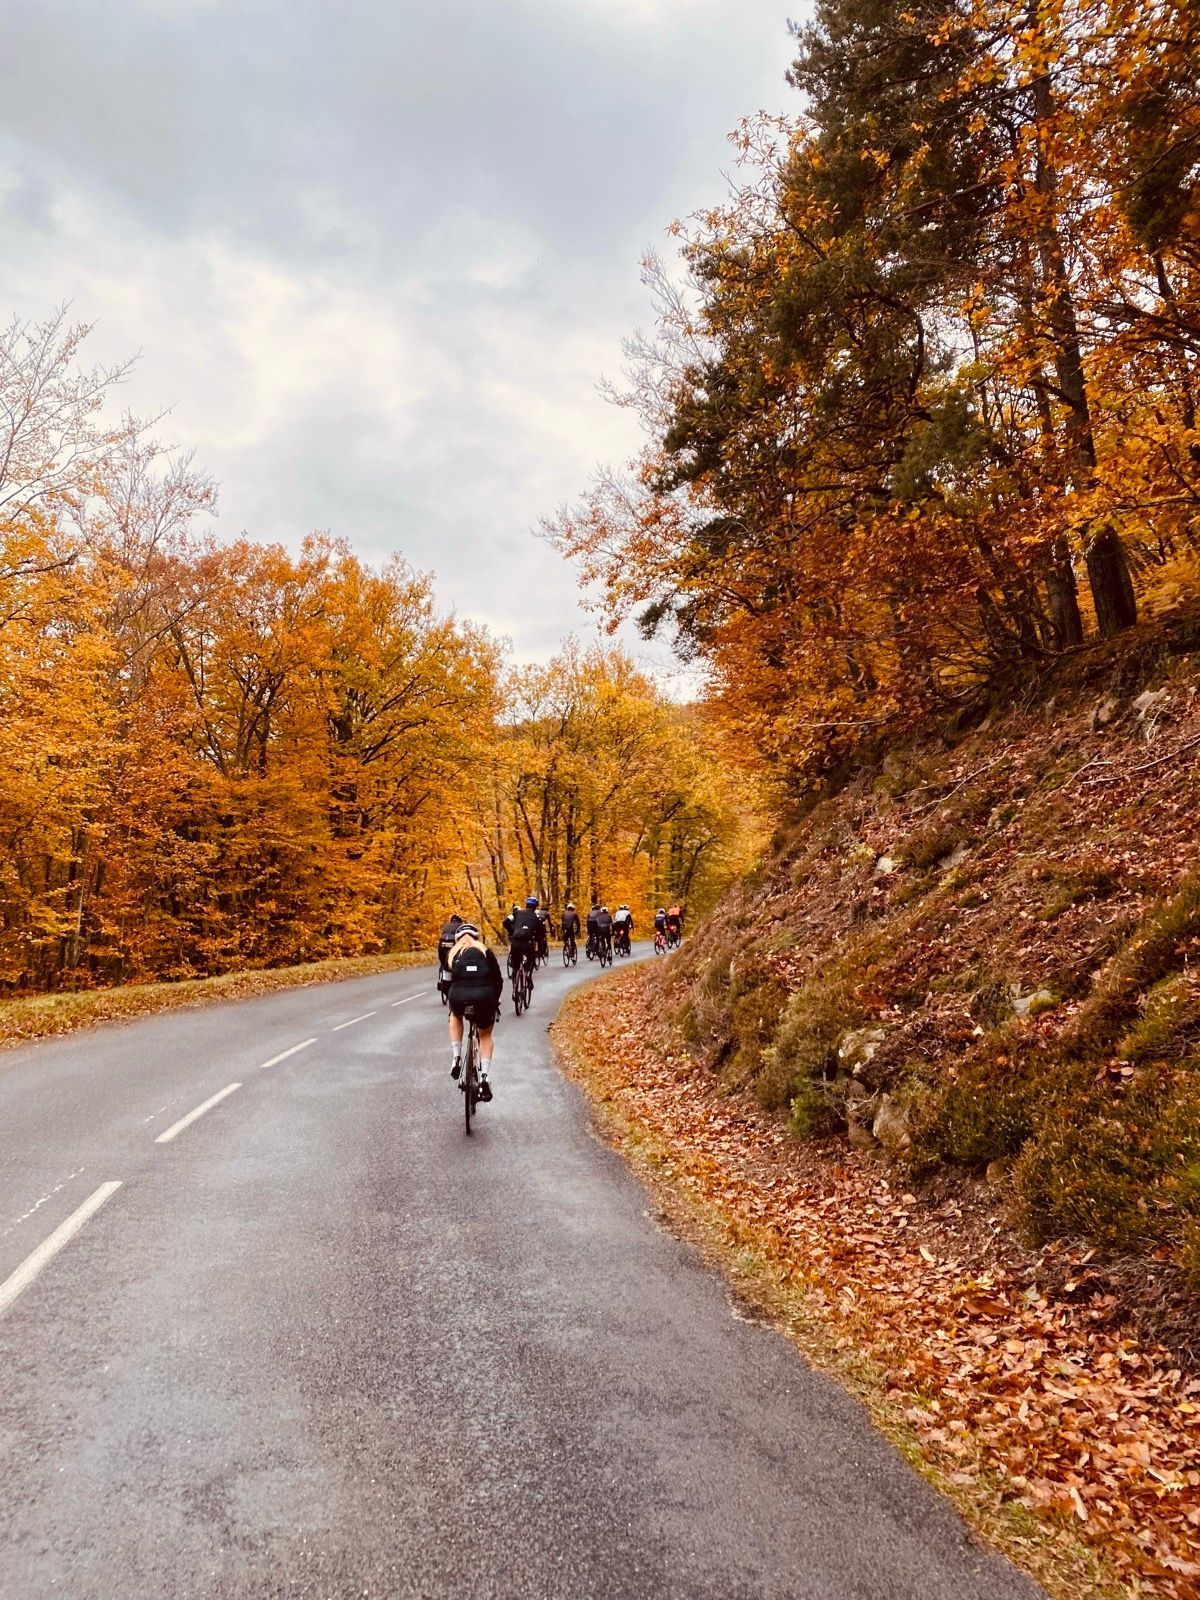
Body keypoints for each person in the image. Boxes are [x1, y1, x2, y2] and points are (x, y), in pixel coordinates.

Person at [446, 922, 504, 1101]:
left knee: (454, 1015)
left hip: (459, 996)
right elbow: (498, 980)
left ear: (457, 939)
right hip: (484, 996)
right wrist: (496, 1000)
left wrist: (453, 999)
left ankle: (456, 1057)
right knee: (485, 1035)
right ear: (476, 937)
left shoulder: (453, 954)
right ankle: (485, 1078)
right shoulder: (485, 951)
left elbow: (446, 983)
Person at [508, 897, 540, 982]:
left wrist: (513, 931)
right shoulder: (536, 917)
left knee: (515, 965)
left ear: (526, 905)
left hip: (515, 942)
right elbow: (540, 932)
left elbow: (506, 921)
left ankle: (514, 990)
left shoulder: (517, 913)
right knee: (531, 959)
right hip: (528, 943)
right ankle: (528, 975)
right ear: (535, 907)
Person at [437, 911, 463, 998]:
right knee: (456, 962)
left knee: (442, 963)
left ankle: (440, 980)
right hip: (453, 944)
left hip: (442, 944)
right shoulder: (460, 926)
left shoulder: (446, 925)